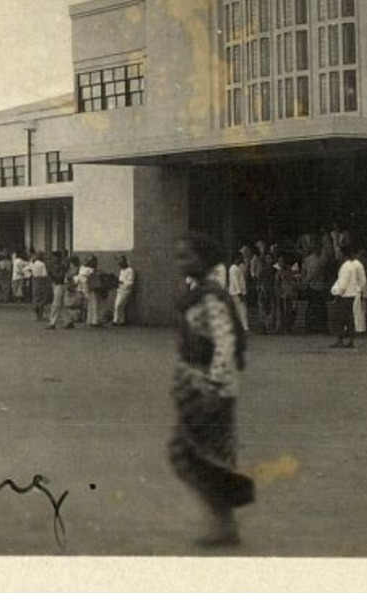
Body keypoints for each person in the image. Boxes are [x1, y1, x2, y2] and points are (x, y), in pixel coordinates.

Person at [168, 232, 254, 547]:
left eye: (187, 256)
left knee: (202, 457)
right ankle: (222, 524)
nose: (181, 262)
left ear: (203, 260)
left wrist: (214, 385)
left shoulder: (212, 297)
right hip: (196, 385)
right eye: (179, 256)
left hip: (211, 389)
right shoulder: (197, 294)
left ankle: (223, 526)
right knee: (197, 456)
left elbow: (225, 342)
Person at [329, 245, 367, 349]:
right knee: (350, 318)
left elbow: (343, 282)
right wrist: (359, 289)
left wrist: (338, 294)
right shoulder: (355, 265)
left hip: (344, 295)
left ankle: (340, 339)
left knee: (340, 318)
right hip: (353, 294)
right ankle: (350, 339)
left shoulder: (345, 266)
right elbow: (363, 281)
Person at [226, 250, 249, 331]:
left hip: (238, 292)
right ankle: (244, 328)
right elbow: (235, 282)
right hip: (236, 293)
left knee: (239, 310)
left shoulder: (238, 268)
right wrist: (239, 293)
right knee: (241, 310)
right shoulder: (233, 269)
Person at [112, 255, 136, 326]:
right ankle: (122, 321)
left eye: (121, 263)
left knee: (118, 305)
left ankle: (115, 321)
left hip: (126, 290)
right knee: (120, 306)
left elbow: (131, 282)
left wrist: (122, 283)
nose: (120, 265)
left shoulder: (130, 270)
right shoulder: (121, 271)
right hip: (120, 290)